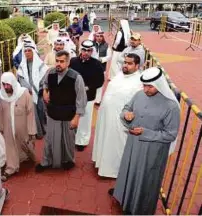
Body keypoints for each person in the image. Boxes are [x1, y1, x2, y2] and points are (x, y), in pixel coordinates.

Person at [109, 67, 180, 215]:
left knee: (145, 178)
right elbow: (126, 108)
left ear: (160, 85)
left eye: (150, 86)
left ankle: (138, 208)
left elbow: (170, 135)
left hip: (152, 151)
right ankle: (123, 197)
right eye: (144, 85)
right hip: (133, 144)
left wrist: (146, 132)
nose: (146, 89)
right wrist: (126, 115)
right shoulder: (139, 94)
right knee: (129, 170)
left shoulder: (171, 106)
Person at [92, 54, 143, 178]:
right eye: (125, 62)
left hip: (120, 121)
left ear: (137, 66)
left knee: (116, 145)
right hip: (106, 117)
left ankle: (112, 172)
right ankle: (100, 163)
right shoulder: (120, 75)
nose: (125, 65)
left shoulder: (139, 82)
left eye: (130, 63)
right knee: (104, 140)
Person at [35, 50, 87, 172]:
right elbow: (44, 83)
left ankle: (68, 161)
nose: (59, 64)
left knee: (68, 141)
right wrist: (45, 90)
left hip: (69, 114)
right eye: (57, 61)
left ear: (68, 63)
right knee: (49, 140)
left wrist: (77, 117)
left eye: (62, 61)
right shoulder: (50, 72)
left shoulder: (76, 77)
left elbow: (81, 98)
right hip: (53, 112)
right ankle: (46, 161)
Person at [0, 72, 37, 181]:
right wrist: (0, 127)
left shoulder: (24, 93)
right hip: (8, 128)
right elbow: (0, 112)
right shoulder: (2, 95)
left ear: (13, 83)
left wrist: (31, 130)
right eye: (4, 84)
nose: (6, 87)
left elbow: (30, 113)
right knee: (9, 146)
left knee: (25, 145)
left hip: (23, 128)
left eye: (8, 84)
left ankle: (28, 156)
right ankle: (10, 168)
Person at [69, 40, 105, 151]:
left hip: (88, 96)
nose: (85, 52)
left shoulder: (97, 64)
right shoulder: (73, 61)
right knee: (71, 116)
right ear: (81, 50)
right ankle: (71, 138)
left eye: (89, 50)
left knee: (85, 119)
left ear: (92, 51)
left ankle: (82, 141)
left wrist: (88, 87)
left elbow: (100, 81)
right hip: (72, 95)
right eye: (84, 50)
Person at [17, 44, 48, 139]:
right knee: (32, 113)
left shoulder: (40, 64)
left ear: (33, 52)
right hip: (29, 93)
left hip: (39, 92)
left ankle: (45, 129)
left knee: (41, 111)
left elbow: (44, 77)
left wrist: (40, 88)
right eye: (25, 51)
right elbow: (21, 78)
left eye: (29, 51)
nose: (27, 53)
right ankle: (38, 132)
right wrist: (27, 88)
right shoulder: (22, 66)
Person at [93, 31, 112, 104]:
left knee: (100, 84)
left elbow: (109, 56)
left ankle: (98, 100)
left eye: (101, 36)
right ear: (95, 37)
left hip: (101, 67)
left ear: (103, 37)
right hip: (92, 67)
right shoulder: (92, 44)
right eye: (97, 36)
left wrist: (102, 59)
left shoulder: (106, 45)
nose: (99, 38)